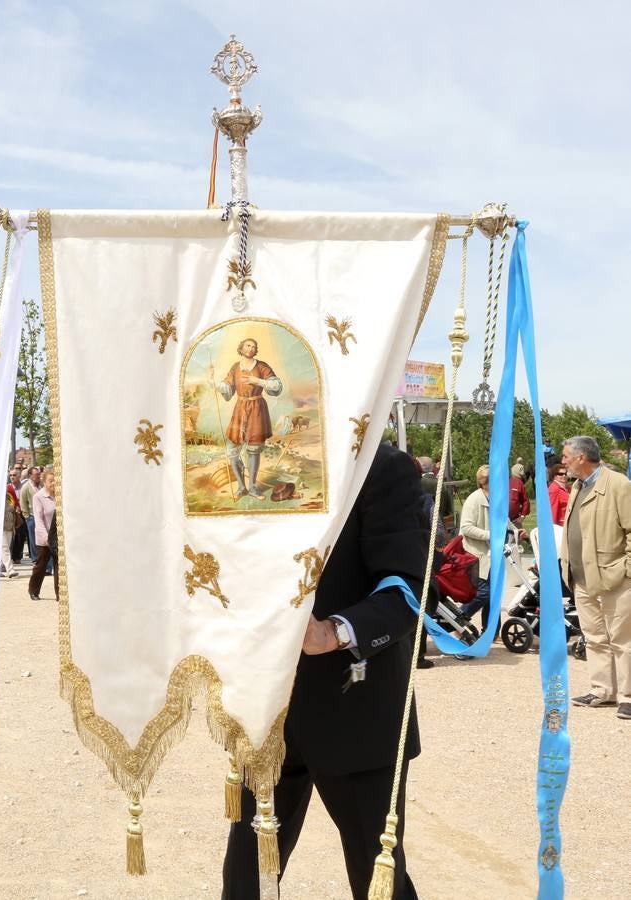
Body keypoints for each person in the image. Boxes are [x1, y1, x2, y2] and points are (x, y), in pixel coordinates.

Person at [222, 443, 429, 900]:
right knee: (247, 876)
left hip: (355, 708)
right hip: (264, 708)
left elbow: (409, 587)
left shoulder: (381, 465)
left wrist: (335, 632)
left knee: (377, 878)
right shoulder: (245, 461)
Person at [559, 436, 631, 719]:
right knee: (594, 637)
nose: (562, 462)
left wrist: (626, 569)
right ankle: (602, 690)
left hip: (614, 578)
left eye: (566, 457)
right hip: (582, 577)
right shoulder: (578, 486)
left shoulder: (618, 485)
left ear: (581, 458)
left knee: (623, 640)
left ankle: (628, 695)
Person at [216, 338, 283, 499]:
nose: (251, 348)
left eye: (254, 346)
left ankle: (252, 488)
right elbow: (227, 388)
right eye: (248, 345)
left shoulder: (261, 366)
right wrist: (213, 382)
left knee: (254, 450)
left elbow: (277, 385)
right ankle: (241, 487)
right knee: (233, 451)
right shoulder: (235, 367)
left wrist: (258, 381)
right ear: (241, 348)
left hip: (257, 409)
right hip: (240, 409)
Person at [457, 466, 495, 632]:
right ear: (484, 482)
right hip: (476, 555)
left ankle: (491, 630)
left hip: (492, 555)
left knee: (494, 594)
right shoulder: (474, 500)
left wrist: (516, 531)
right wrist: (489, 535)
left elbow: (504, 521)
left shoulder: (496, 498)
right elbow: (466, 528)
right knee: (483, 593)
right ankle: (458, 620)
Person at [28, 472, 57, 601]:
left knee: (59, 567)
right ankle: (33, 590)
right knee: (41, 566)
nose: (54, 483)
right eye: (51, 481)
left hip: (58, 538)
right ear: (44, 482)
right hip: (44, 539)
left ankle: (60, 594)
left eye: (55, 480)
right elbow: (38, 521)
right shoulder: (38, 497)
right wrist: (46, 538)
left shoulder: (60, 495)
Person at [19, 467, 42, 563]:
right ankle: (35, 560)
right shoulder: (26, 487)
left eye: (39, 474)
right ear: (31, 476)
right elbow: (23, 502)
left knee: (43, 540)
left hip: (42, 517)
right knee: (33, 540)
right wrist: (27, 517)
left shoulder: (42, 485)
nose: (39, 476)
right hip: (32, 517)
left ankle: (46, 562)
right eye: (36, 475)